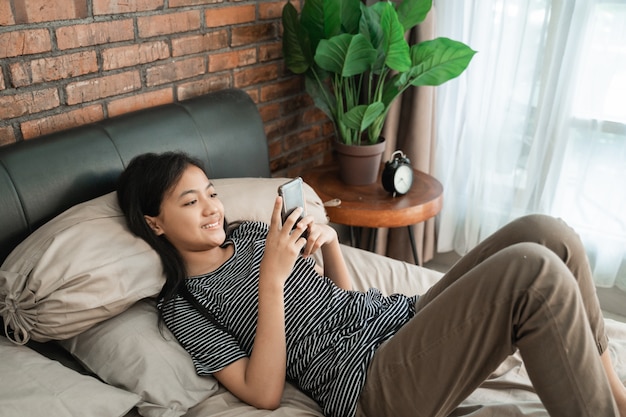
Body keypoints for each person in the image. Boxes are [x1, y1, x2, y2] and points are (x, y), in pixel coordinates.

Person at [116, 151, 626, 417]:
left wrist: (331, 243)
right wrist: (271, 280)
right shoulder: (184, 305)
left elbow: (338, 300)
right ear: (155, 223)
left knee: (548, 232)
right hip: (371, 384)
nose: (212, 209)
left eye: (211, 192)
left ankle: (616, 396)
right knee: (531, 273)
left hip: (401, 321)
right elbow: (264, 392)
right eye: (191, 202)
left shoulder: (250, 233)